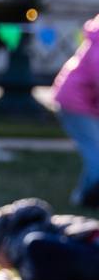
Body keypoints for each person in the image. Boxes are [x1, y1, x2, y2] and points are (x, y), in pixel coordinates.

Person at [51, 15, 99, 208]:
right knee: (96, 156)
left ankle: (82, 197)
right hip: (75, 104)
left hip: (87, 104)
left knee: (95, 153)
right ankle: (87, 199)